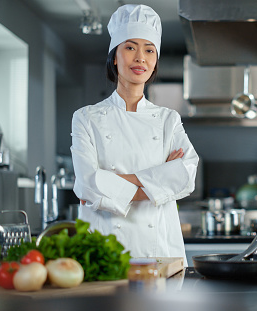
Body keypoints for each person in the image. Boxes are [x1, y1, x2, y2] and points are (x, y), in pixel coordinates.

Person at [70, 4, 199, 263]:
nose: (140, 58)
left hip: (160, 250)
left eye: (149, 50)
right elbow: (87, 184)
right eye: (130, 47)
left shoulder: (168, 120)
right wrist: (160, 181)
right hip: (105, 247)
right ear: (115, 57)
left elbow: (186, 176)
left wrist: (111, 181)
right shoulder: (86, 117)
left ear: (154, 62)